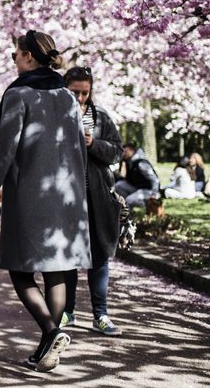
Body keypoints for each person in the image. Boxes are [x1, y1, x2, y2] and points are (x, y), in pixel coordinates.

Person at [0, 30, 91, 372]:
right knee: (57, 271)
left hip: (30, 195)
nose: (15, 62)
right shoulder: (68, 97)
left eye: (15, 56)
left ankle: (51, 331)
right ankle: (47, 349)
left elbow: (4, 152)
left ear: (27, 57)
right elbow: (79, 148)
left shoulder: (19, 95)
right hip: (68, 195)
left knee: (19, 268)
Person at [60, 66, 124, 337]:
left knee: (99, 257)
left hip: (98, 198)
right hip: (66, 197)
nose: (80, 99)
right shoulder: (56, 115)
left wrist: (93, 143)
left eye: (85, 93)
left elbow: (117, 153)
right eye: (75, 92)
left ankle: (101, 314)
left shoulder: (102, 118)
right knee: (68, 257)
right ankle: (68, 312)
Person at [114, 143, 160, 209]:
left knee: (129, 200)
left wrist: (154, 194)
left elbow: (154, 179)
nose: (123, 154)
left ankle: (147, 207)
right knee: (119, 185)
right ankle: (127, 209)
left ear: (132, 151)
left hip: (148, 191)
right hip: (137, 188)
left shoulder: (141, 163)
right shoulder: (128, 162)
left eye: (125, 151)